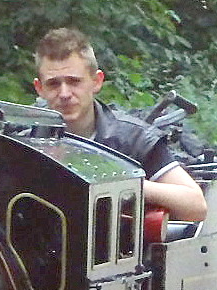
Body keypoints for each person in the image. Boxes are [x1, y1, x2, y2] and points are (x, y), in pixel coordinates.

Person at [34, 27, 207, 222]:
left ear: (96, 81)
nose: (64, 94)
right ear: (39, 88)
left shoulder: (134, 139)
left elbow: (196, 205)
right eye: (53, 84)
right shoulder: (23, 143)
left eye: (74, 81)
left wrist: (127, 186)